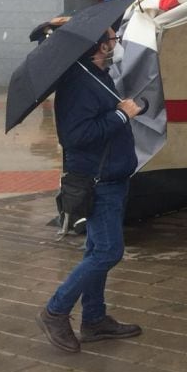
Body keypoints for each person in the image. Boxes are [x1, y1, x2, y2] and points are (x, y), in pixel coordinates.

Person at [37, 27, 143, 354]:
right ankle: (55, 310)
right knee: (108, 252)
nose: (115, 44)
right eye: (112, 39)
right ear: (99, 45)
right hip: (99, 182)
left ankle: (94, 320)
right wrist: (119, 116)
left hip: (112, 175)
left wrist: (122, 111)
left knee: (96, 249)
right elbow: (76, 136)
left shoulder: (95, 75)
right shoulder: (78, 84)